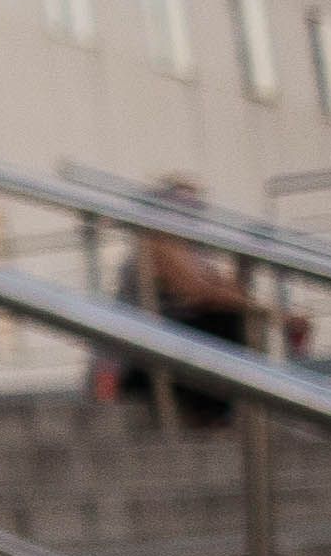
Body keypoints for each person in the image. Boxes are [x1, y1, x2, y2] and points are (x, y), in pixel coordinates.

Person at [112, 179, 261, 429]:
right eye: (184, 205)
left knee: (230, 319)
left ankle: (216, 411)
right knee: (224, 322)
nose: (192, 213)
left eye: (195, 205)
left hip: (174, 349)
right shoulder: (157, 243)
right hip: (147, 361)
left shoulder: (192, 251)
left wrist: (244, 270)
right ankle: (209, 412)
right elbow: (198, 293)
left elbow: (225, 291)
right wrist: (274, 315)